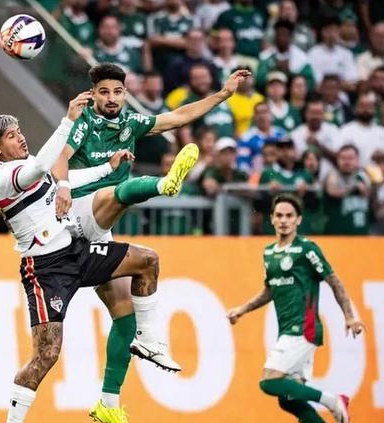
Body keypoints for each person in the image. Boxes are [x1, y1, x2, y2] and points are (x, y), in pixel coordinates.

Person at [53, 63, 251, 373]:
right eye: (104, 92)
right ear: (93, 95)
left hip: (100, 229)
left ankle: (111, 400)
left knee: (125, 315)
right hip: (76, 212)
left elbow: (177, 117)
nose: (111, 98)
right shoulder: (85, 121)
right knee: (115, 191)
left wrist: (223, 94)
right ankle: (163, 184)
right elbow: (60, 157)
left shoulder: (132, 123)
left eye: (117, 92)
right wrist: (63, 186)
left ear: (126, 94)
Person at [0, 94, 158, 423]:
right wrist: (67, 122)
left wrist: (107, 169)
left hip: (76, 252)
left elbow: (64, 178)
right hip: (45, 270)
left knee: (147, 260)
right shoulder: (5, 177)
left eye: (19, 132)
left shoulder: (30, 164)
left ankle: (147, 337)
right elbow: (40, 169)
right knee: (46, 354)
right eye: (12, 136)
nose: (20, 138)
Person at [227, 194, 364, 423]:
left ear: (299, 220)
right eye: (279, 215)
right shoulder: (269, 253)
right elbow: (269, 290)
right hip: (287, 331)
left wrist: (349, 316)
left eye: (289, 216)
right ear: (271, 219)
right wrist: (242, 309)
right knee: (287, 399)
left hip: (304, 328)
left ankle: (333, 400)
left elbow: (334, 280)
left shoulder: (307, 249)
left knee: (269, 382)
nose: (284, 220)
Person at [324, 145, 372, 235]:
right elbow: (332, 191)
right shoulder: (333, 175)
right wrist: (353, 187)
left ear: (357, 160)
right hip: (337, 235)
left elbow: (369, 193)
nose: (347, 162)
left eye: (350, 158)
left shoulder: (363, 176)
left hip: (362, 234)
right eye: (343, 158)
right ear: (337, 160)